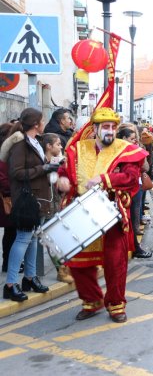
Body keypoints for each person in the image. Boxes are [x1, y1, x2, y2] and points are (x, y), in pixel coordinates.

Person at [56, 107, 148, 322]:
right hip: (81, 211)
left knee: (116, 263)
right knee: (78, 263)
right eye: (105, 127)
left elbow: (131, 178)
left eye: (113, 127)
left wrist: (105, 179)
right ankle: (91, 300)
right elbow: (64, 171)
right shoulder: (77, 149)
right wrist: (61, 180)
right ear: (95, 128)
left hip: (112, 212)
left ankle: (116, 305)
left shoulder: (126, 150)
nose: (110, 131)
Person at [3, 108, 51, 302]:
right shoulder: (20, 145)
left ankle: (29, 279)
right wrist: (43, 168)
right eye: (42, 121)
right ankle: (10, 284)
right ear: (36, 124)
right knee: (23, 239)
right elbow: (16, 172)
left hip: (37, 198)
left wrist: (50, 165)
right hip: (26, 199)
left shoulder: (35, 142)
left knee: (32, 239)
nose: (44, 123)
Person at [40, 133, 74, 283]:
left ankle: (66, 267)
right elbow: (51, 181)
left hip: (57, 204)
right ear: (49, 146)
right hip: (47, 204)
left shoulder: (57, 161)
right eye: (58, 144)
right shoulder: (44, 162)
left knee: (61, 237)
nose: (61, 147)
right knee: (50, 238)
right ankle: (60, 269)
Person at [116, 125, 152, 259]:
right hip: (121, 191)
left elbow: (145, 167)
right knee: (126, 221)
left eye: (136, 138)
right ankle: (133, 248)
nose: (135, 141)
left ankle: (134, 247)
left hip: (133, 188)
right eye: (132, 138)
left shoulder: (135, 150)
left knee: (130, 221)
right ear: (124, 138)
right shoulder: (115, 151)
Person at [0, 122, 16, 273]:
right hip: (6, 198)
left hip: (6, 197)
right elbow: (3, 179)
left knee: (10, 232)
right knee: (11, 232)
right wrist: (10, 193)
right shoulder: (4, 154)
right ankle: (7, 263)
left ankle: (8, 262)